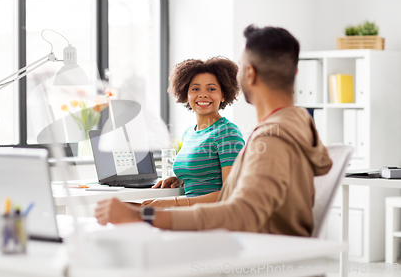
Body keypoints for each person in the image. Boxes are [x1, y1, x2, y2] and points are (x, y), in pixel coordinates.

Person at [94, 25, 333, 237]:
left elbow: (240, 212)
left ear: (249, 73)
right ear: (295, 73)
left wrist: (145, 215)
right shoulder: (298, 122)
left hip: (259, 253)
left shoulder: (272, 138)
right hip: (269, 246)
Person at [143, 57, 245, 207]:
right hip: (191, 215)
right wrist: (182, 179)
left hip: (213, 218)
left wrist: (173, 203)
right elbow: (206, 175)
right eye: (195, 89)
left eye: (211, 89)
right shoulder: (189, 134)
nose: (203, 95)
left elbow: (231, 193)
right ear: (186, 94)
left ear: (223, 95)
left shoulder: (227, 133)